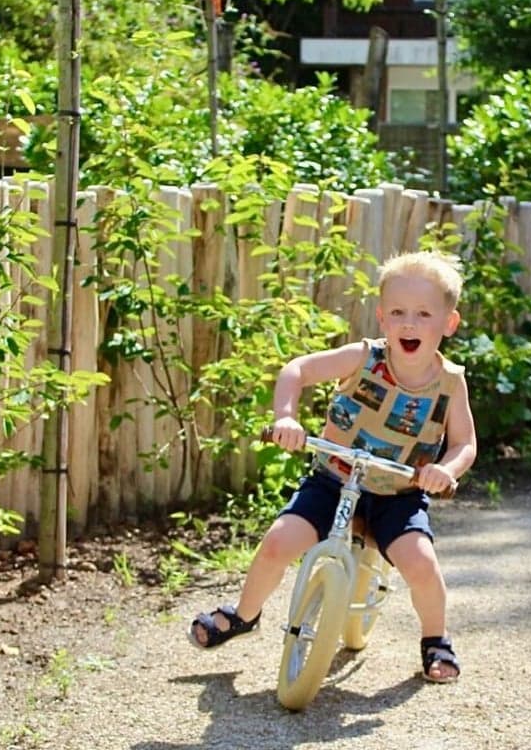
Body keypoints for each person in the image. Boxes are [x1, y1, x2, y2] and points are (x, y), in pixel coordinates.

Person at [189, 250, 477, 684]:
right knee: (277, 543)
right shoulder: (364, 358)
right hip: (335, 479)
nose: (409, 324)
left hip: (398, 493)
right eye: (397, 312)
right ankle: (245, 614)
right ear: (381, 316)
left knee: (421, 564)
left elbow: (464, 443)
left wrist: (447, 470)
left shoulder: (450, 383)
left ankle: (435, 639)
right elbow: (297, 370)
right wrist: (286, 416)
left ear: (448, 323)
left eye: (423, 314)